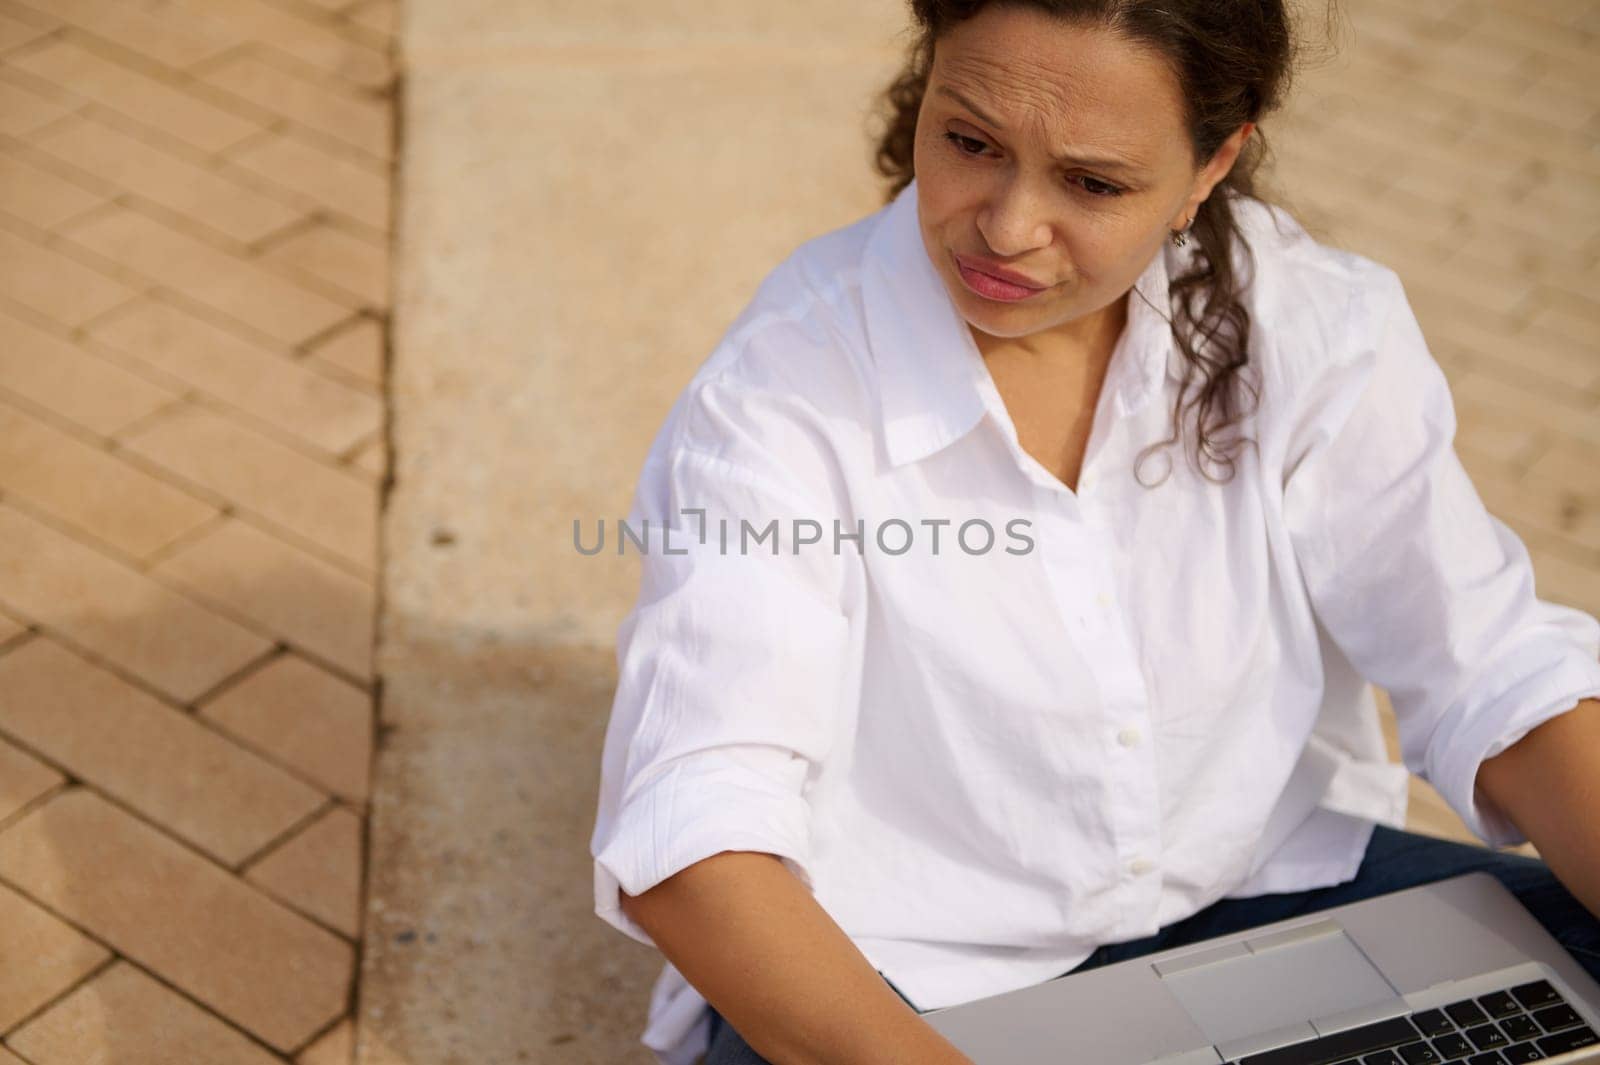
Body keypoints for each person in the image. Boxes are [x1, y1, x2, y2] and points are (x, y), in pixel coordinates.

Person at [588, 2, 1600, 1063]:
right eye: (970, 142)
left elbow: (1491, 665)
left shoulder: (1311, 321)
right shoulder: (780, 391)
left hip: (1259, 891)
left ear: (1212, 165)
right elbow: (695, 827)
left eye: (1093, 183)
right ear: (925, 82)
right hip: (909, 973)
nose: (1007, 227)